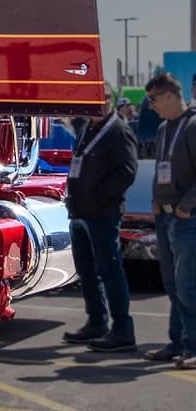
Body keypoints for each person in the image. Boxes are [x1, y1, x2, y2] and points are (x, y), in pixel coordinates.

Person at [61, 85, 138, 352]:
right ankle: (97, 322)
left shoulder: (118, 131)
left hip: (102, 214)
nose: (93, 105)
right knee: (87, 272)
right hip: (80, 212)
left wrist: (100, 196)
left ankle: (122, 330)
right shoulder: (87, 129)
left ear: (109, 102)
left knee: (109, 270)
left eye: (99, 100)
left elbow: (127, 171)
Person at [143, 72, 196, 368]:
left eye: (153, 99)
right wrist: (155, 201)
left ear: (169, 97)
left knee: (188, 286)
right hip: (165, 218)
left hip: (186, 219)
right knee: (173, 285)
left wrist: (185, 207)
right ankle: (177, 342)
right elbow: (161, 170)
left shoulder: (192, 126)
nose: (150, 105)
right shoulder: (165, 129)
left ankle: (193, 346)